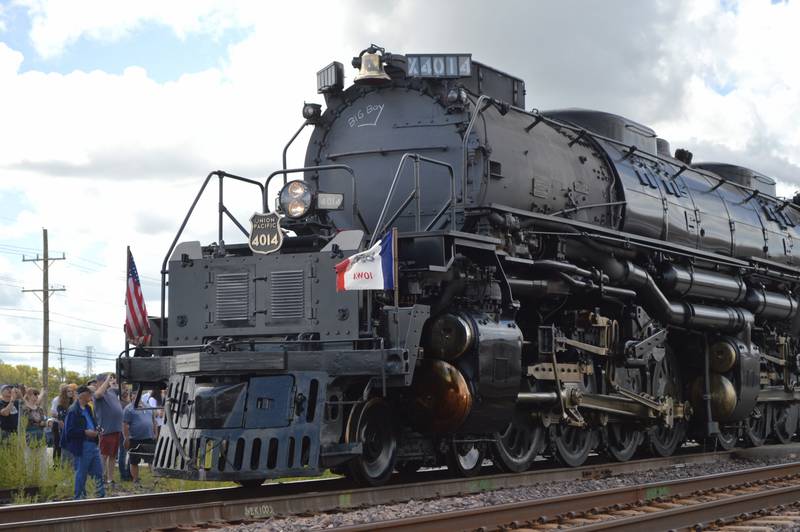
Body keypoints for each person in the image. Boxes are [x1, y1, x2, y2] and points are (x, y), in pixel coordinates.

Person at [62, 385, 106, 499]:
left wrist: (97, 429)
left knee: (98, 471)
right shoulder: (73, 411)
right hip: (82, 445)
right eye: (90, 394)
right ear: (84, 396)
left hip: (92, 444)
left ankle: (100, 496)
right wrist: (85, 432)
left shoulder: (87, 408)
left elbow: (91, 422)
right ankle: (79, 497)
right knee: (81, 473)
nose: (91, 396)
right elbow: (69, 431)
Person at [93, 373, 124, 486]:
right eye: (107, 380)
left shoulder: (111, 392)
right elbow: (98, 394)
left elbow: (122, 389)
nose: (110, 381)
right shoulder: (97, 394)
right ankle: (101, 478)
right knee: (103, 455)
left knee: (113, 456)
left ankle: (110, 479)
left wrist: (116, 381)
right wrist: (107, 380)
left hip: (116, 429)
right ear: (100, 382)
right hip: (106, 430)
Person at [122, 392, 157, 485]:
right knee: (134, 461)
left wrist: (156, 434)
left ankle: (155, 479)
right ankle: (135, 480)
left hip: (149, 437)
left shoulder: (148, 407)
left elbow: (154, 421)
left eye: (137, 394)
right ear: (131, 396)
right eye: (133, 395)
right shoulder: (128, 409)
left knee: (152, 459)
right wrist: (126, 438)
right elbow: (125, 424)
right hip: (134, 439)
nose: (135, 396)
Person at [50, 385, 73, 462]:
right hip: (58, 425)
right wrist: (63, 416)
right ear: (63, 392)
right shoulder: (57, 400)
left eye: (71, 391)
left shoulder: (73, 401)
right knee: (58, 446)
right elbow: (53, 413)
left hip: (70, 427)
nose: (71, 393)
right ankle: (56, 466)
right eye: (68, 391)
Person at [118, 386, 132, 481]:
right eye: (124, 390)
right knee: (124, 453)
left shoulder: (128, 404)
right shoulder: (123, 405)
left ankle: (127, 473)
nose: (126, 392)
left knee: (126, 453)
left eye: (127, 390)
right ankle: (124, 474)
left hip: (126, 431)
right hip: (124, 431)